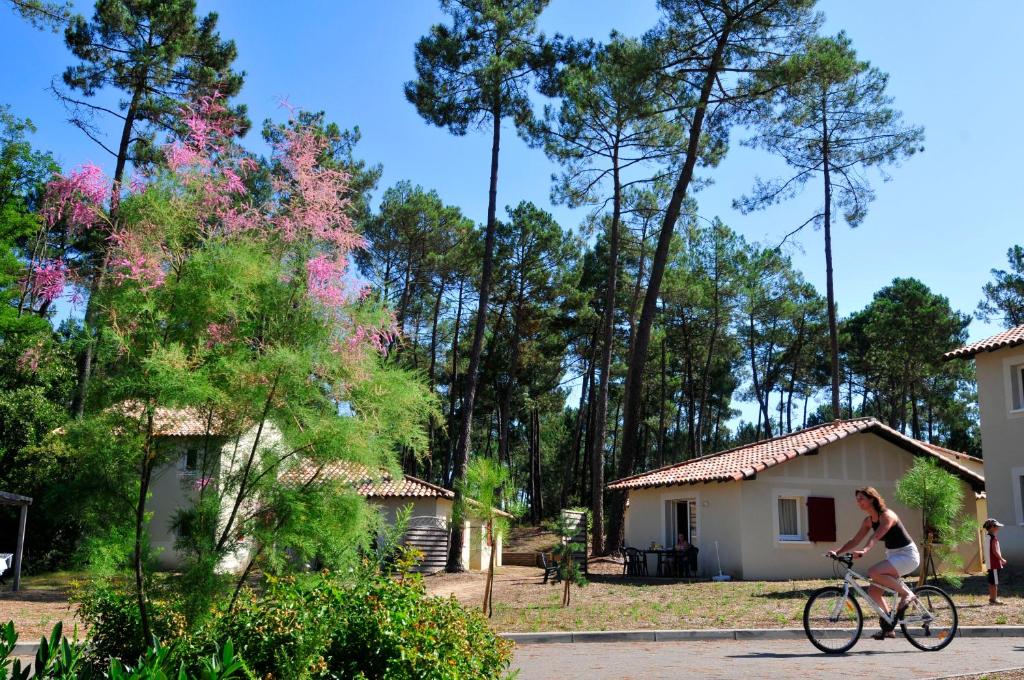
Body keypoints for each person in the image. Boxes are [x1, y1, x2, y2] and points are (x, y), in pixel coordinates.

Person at [829, 487, 920, 640]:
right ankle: (888, 626)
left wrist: (864, 551)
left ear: (872, 499)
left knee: (873, 572)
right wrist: (837, 552)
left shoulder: (887, 516)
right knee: (874, 592)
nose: (858, 502)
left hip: (907, 555)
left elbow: (876, 537)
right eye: (857, 499)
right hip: (894, 556)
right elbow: (855, 540)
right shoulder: (868, 521)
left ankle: (907, 594)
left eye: (861, 499)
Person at [984, 518, 1008, 605]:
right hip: (995, 564)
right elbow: (995, 551)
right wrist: (1001, 559)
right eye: (997, 526)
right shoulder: (993, 538)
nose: (998, 528)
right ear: (991, 527)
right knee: (995, 583)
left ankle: (992, 598)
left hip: (990, 564)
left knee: (991, 582)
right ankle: (994, 599)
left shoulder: (987, 537)